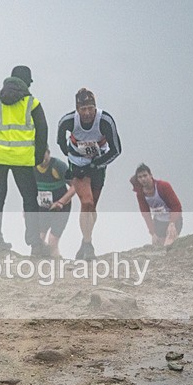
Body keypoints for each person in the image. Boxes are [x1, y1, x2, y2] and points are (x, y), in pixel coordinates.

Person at [0, 65, 49, 256]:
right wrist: (37, 156)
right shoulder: (32, 103)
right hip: (24, 159)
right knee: (29, 199)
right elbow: (43, 131)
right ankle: (35, 244)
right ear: (27, 82)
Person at [56, 88, 121, 260]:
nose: (87, 113)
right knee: (87, 202)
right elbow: (59, 139)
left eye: (90, 108)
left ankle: (85, 242)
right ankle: (88, 245)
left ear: (95, 107)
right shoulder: (69, 120)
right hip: (77, 164)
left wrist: (96, 164)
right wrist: (71, 156)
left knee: (92, 208)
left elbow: (117, 150)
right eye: (83, 109)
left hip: (99, 163)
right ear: (77, 109)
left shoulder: (105, 120)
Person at [34, 149, 76, 258]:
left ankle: (56, 262)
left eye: (44, 156)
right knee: (38, 240)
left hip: (61, 207)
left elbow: (75, 186)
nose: (42, 160)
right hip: (43, 206)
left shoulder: (58, 166)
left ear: (48, 153)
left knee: (52, 241)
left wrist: (61, 202)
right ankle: (40, 265)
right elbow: (29, 189)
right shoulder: (31, 166)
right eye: (39, 157)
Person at [129, 163, 183, 246]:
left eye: (145, 175)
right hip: (159, 223)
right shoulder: (140, 194)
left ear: (151, 175)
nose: (143, 179)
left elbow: (177, 206)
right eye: (140, 177)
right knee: (158, 247)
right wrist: (153, 233)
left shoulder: (163, 186)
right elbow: (145, 214)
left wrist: (172, 223)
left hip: (174, 221)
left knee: (168, 245)